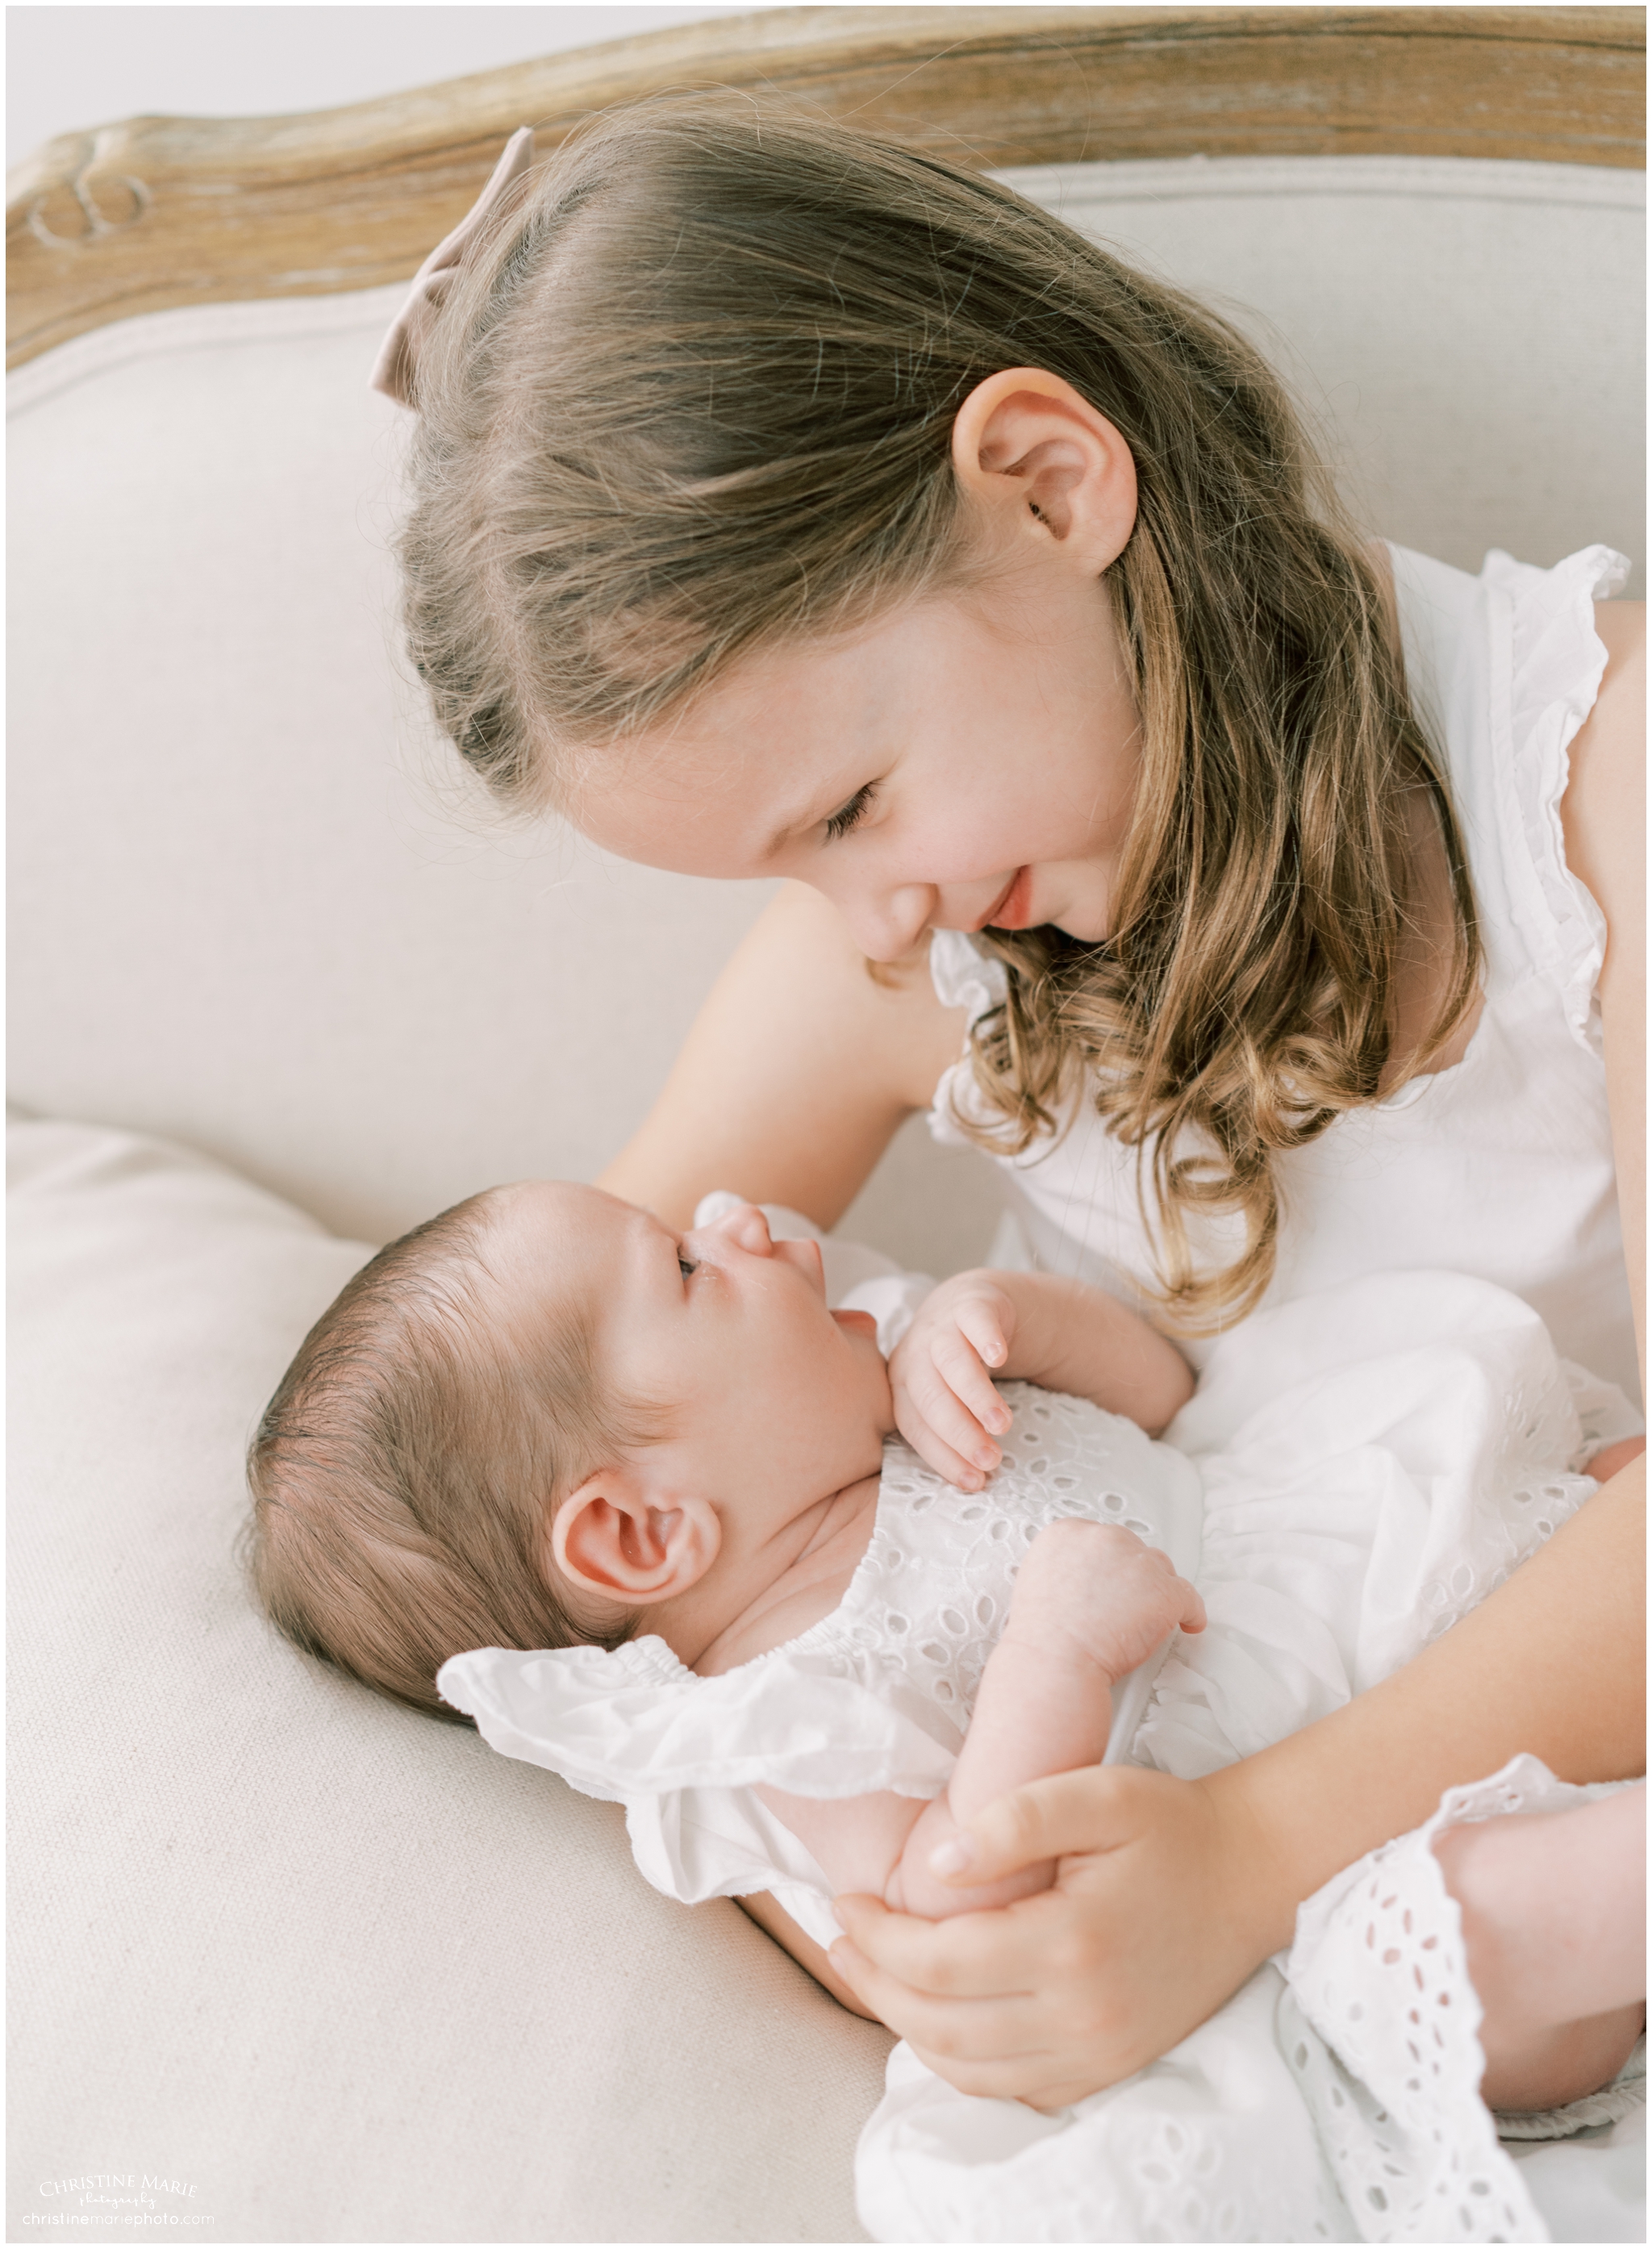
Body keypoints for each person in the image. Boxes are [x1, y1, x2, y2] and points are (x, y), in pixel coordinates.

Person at [376, 99, 1645, 2111]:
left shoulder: (1601, 777)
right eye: (786, 877)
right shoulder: (913, 952)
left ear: (1049, 489)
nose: (869, 917)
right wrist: (896, 1894)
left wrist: (1239, 1859)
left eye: (854, 807)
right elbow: (520, 1497)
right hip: (1255, 1821)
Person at [244, 1183, 1642, 2238]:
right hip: (1301, 1915)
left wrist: (1018, 1325)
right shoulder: (777, 1716)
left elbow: (1168, 1397)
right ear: (639, 1537)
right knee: (1477, 1928)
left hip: (1401, 1616)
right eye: (686, 1266)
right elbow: (961, 1904)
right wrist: (1053, 1657)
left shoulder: (898, 1396)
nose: (752, 1226)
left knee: (1606, 1482)